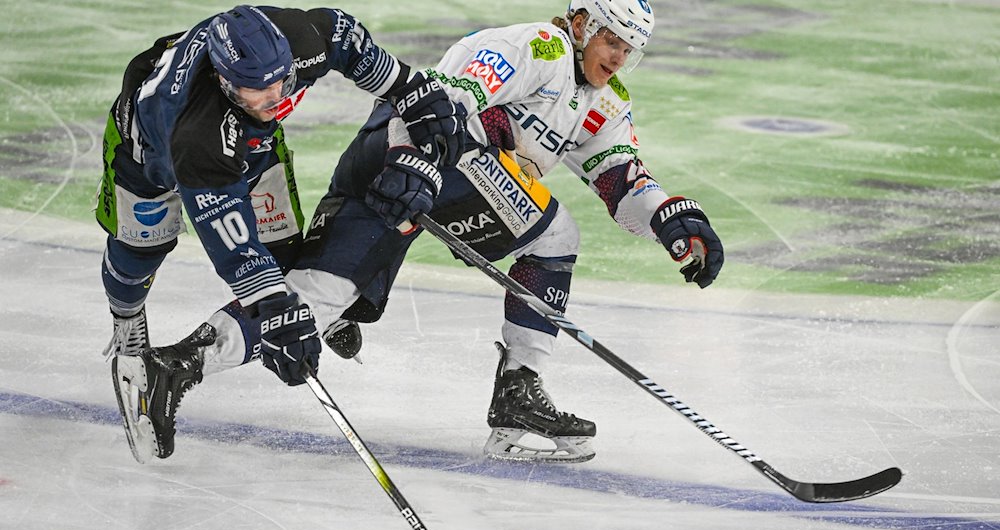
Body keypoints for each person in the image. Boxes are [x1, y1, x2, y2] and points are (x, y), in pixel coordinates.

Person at [124, 0, 724, 464]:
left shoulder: (604, 102)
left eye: (629, 49)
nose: (617, 56)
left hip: (429, 174)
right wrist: (420, 162)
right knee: (553, 234)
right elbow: (447, 96)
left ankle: (180, 363)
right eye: (611, 39)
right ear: (582, 20)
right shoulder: (537, 47)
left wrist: (672, 218)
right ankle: (517, 388)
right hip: (405, 153)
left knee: (327, 294)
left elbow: (622, 180)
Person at [99, 5, 466, 463]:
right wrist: (273, 311)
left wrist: (415, 92)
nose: (275, 99)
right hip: (147, 157)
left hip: (251, 146)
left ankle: (317, 307)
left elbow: (357, 49)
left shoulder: (305, 40)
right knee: (140, 252)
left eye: (282, 84)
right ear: (223, 81)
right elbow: (237, 250)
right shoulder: (199, 138)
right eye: (258, 91)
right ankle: (128, 326)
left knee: (288, 254)